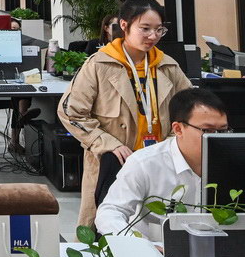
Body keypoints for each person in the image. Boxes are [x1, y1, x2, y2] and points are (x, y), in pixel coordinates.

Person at [59, 0, 192, 230]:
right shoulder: (99, 64)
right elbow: (71, 112)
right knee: (108, 228)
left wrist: (172, 143)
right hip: (115, 161)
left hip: (159, 162)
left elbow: (189, 110)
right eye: (145, 28)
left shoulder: (168, 66)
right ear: (124, 25)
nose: (153, 36)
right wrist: (107, 143)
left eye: (159, 30)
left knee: (157, 229)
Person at [95, 88, 230, 241]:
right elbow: (109, 213)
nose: (216, 139)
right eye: (208, 130)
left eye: (223, 131)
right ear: (178, 129)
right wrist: (141, 246)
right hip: (154, 249)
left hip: (216, 248)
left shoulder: (232, 161)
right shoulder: (145, 163)